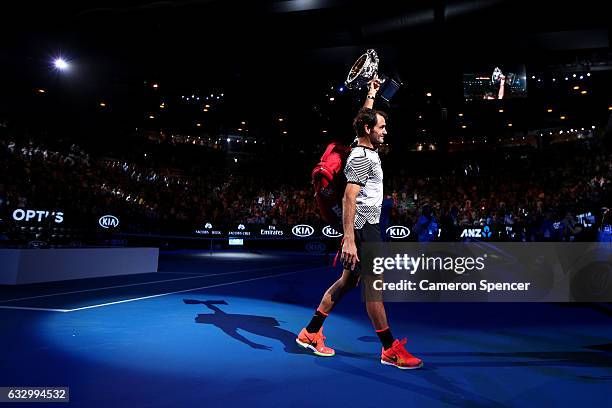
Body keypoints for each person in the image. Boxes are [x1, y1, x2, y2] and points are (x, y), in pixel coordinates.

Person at [295, 77, 423, 370]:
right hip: (365, 227)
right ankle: (390, 349)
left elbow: (362, 120)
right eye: (381, 127)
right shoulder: (362, 157)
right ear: (369, 130)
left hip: (365, 226)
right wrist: (350, 239)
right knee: (373, 288)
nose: (385, 131)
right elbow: (348, 198)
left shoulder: (361, 145)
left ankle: (310, 332)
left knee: (347, 281)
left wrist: (371, 94)